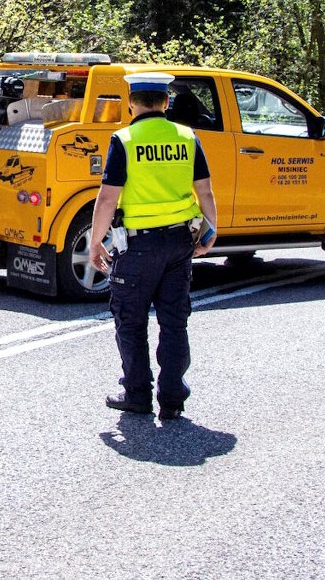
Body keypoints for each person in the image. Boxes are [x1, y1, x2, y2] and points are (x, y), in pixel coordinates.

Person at [87, 72, 218, 420]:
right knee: (174, 322)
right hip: (179, 242)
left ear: (131, 103)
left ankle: (137, 394)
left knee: (131, 321)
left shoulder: (124, 140)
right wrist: (210, 230)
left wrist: (96, 242)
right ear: (166, 102)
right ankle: (172, 400)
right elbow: (204, 191)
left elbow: (107, 199)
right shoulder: (187, 137)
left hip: (137, 246)